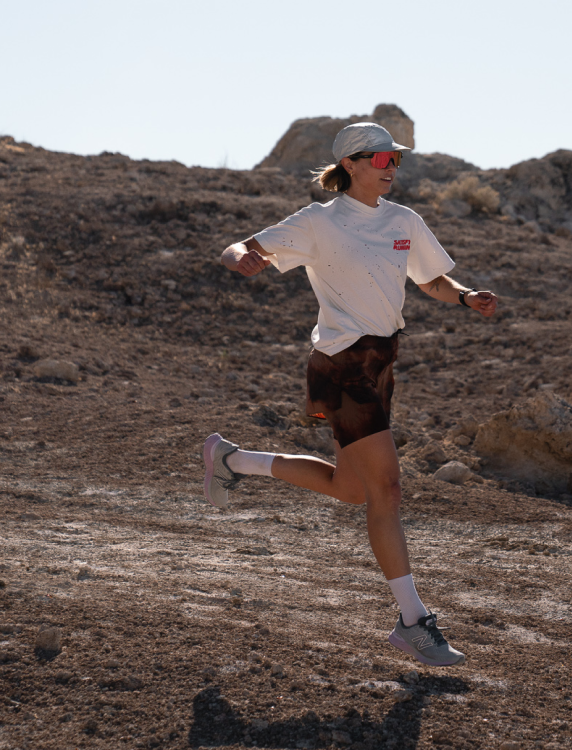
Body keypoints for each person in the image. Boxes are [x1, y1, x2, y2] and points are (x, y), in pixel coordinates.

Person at [201, 122, 499, 667]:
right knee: (386, 488)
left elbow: (430, 280)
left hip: (382, 364)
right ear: (353, 164)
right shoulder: (319, 221)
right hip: (341, 366)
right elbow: (244, 246)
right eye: (384, 158)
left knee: (350, 490)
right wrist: (236, 257)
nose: (393, 167)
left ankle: (233, 460)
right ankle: (414, 620)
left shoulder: (404, 221)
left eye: (396, 159)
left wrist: (464, 297)